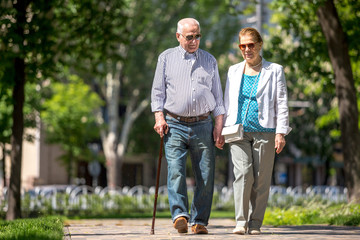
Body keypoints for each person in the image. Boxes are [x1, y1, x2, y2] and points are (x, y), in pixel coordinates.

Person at [151, 18, 225, 234]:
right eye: (189, 37)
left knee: (206, 174)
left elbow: (218, 99)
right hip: (173, 123)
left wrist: (219, 127)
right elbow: (157, 93)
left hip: (203, 123)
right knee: (175, 171)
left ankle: (199, 220)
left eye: (197, 36)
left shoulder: (210, 60)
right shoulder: (166, 58)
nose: (194, 41)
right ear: (178, 36)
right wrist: (159, 118)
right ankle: (180, 215)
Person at [222, 27, 291, 235]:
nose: (246, 49)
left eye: (251, 45)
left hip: (266, 129)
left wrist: (281, 132)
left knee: (261, 178)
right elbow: (227, 101)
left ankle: (255, 223)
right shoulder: (233, 70)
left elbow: (281, 101)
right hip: (238, 131)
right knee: (243, 174)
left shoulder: (274, 70)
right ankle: (241, 222)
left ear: (260, 45)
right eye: (242, 46)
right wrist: (221, 129)